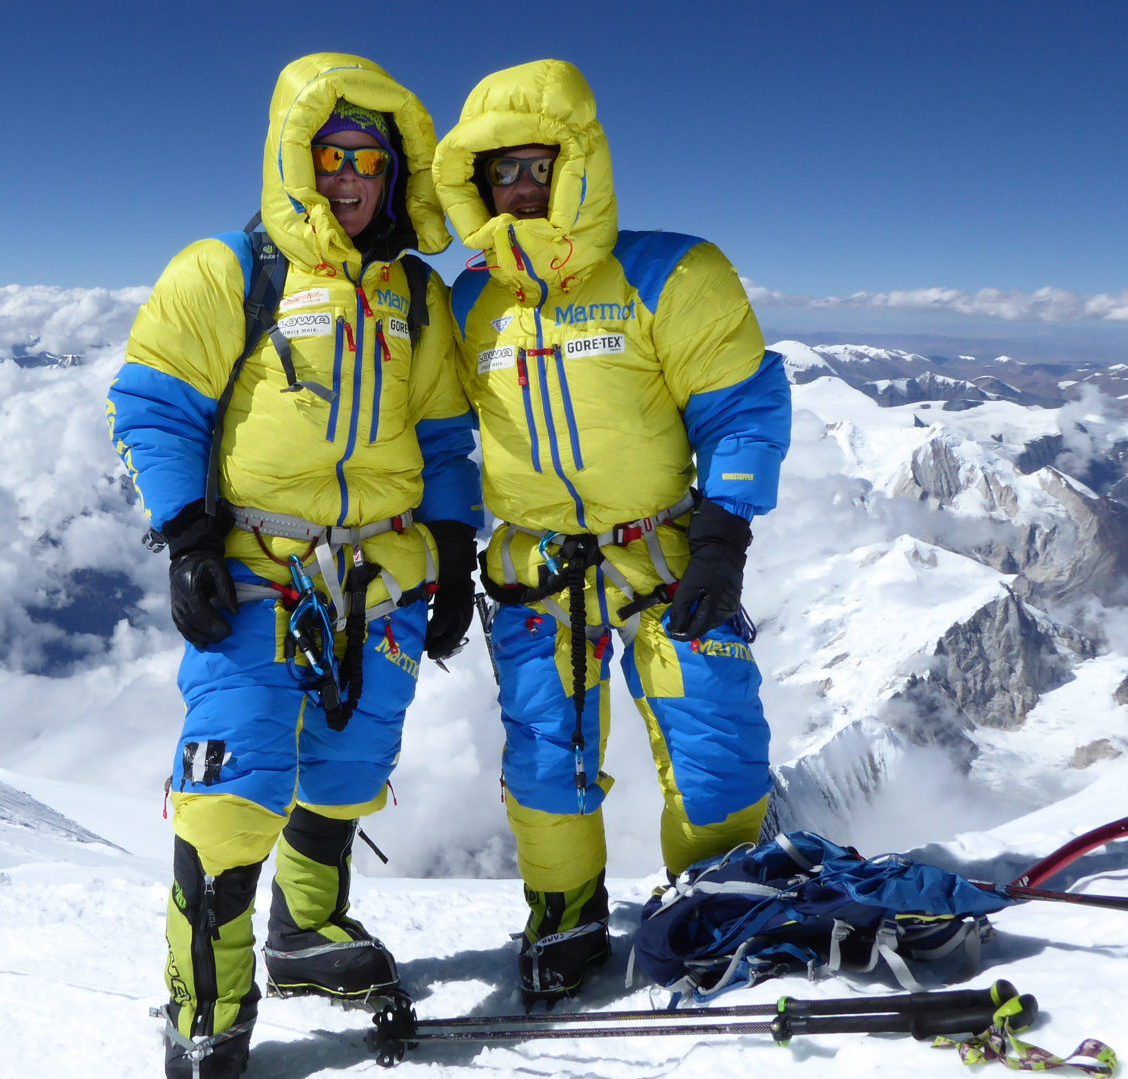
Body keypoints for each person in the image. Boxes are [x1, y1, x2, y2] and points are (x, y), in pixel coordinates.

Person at [107, 54, 479, 1079]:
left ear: (397, 174)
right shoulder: (231, 269)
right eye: (332, 154)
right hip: (256, 574)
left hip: (382, 578)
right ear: (298, 160)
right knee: (232, 798)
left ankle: (305, 936)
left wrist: (453, 553)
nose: (351, 175)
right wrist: (186, 536)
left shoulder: (417, 295)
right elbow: (155, 401)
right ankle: (208, 1015)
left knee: (349, 773)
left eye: (371, 158)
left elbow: (445, 440)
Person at [431, 59, 792, 1004]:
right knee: (546, 755)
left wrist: (724, 534)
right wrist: (443, 538)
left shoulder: (673, 272)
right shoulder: (468, 303)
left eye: (537, 163)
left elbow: (741, 405)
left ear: (578, 163)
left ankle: (722, 900)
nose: (520, 186)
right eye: (499, 171)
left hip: (666, 546)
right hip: (532, 564)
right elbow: (435, 435)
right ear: (476, 183)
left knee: (713, 739)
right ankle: (567, 912)